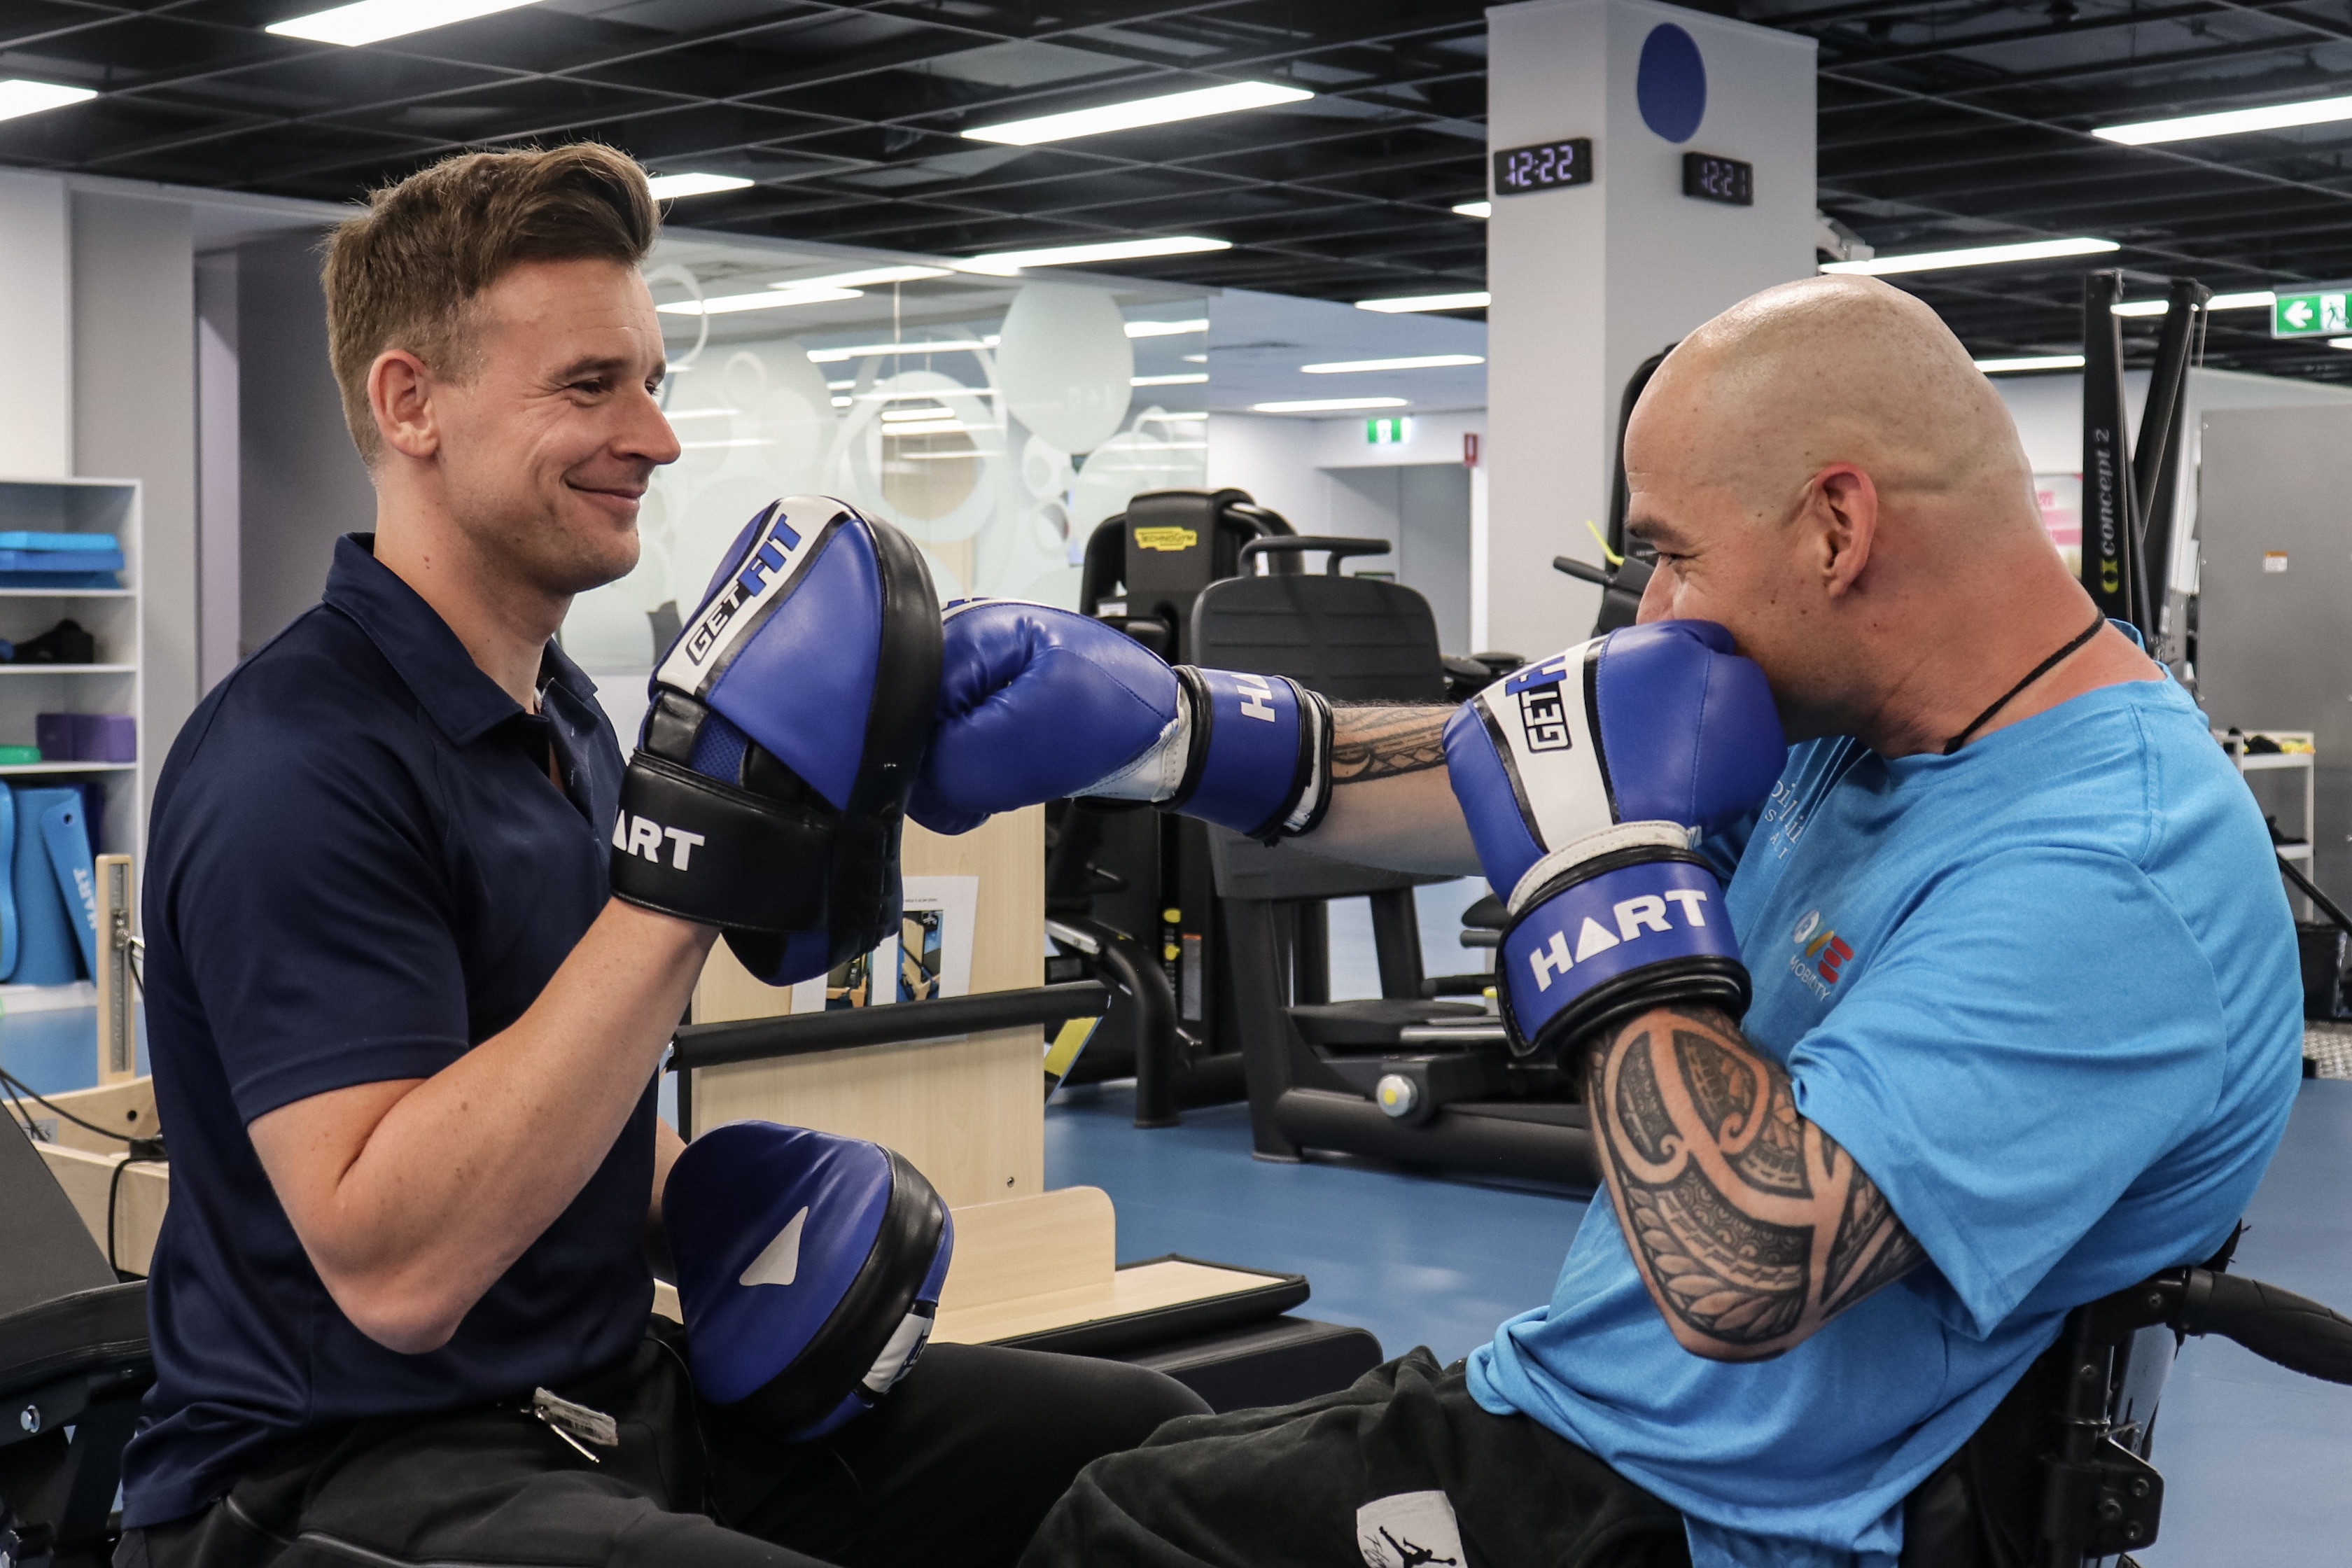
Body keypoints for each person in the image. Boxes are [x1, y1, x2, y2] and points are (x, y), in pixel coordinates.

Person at [911, 275, 2304, 1567]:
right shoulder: (1863, 732)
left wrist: (1601, 892)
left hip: (1719, 1522)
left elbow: (1746, 1266)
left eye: (1672, 555)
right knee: (1083, 1450)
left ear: (1838, 527)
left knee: (1119, 1531)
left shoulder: (2113, 866)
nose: (1653, 611)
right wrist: (1167, 733)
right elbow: (1483, 769)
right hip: (1589, 1411)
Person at [115, 143, 1203, 1568]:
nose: (657, 437)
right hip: (340, 1470)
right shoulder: (295, 764)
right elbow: (396, 1270)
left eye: (651, 381)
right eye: (589, 387)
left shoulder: (563, 718)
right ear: (410, 402)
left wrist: (708, 1213)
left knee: (1153, 1453)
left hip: (606, 1401)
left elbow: (545, 1096)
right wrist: (690, 868)